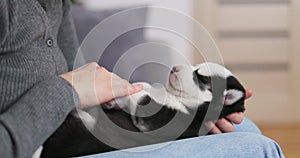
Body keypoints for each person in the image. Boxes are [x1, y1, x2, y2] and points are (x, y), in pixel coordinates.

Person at [0, 0, 284, 158]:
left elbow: (80, 77)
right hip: (40, 145)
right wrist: (68, 90)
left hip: (73, 127)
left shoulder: (53, 3)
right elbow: (71, 86)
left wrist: (194, 114)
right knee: (260, 149)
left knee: (247, 129)